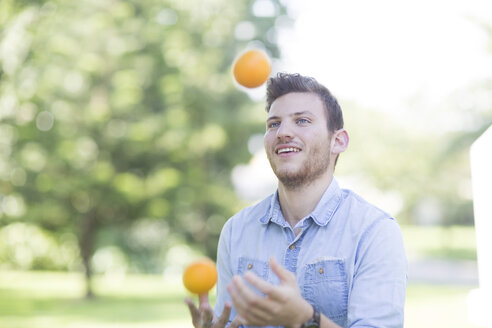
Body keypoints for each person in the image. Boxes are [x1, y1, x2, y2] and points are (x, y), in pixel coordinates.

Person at [185, 73, 407, 328]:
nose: (283, 132)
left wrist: (305, 319)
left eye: (301, 121)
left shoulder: (375, 231)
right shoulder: (236, 231)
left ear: (338, 141)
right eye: (273, 124)